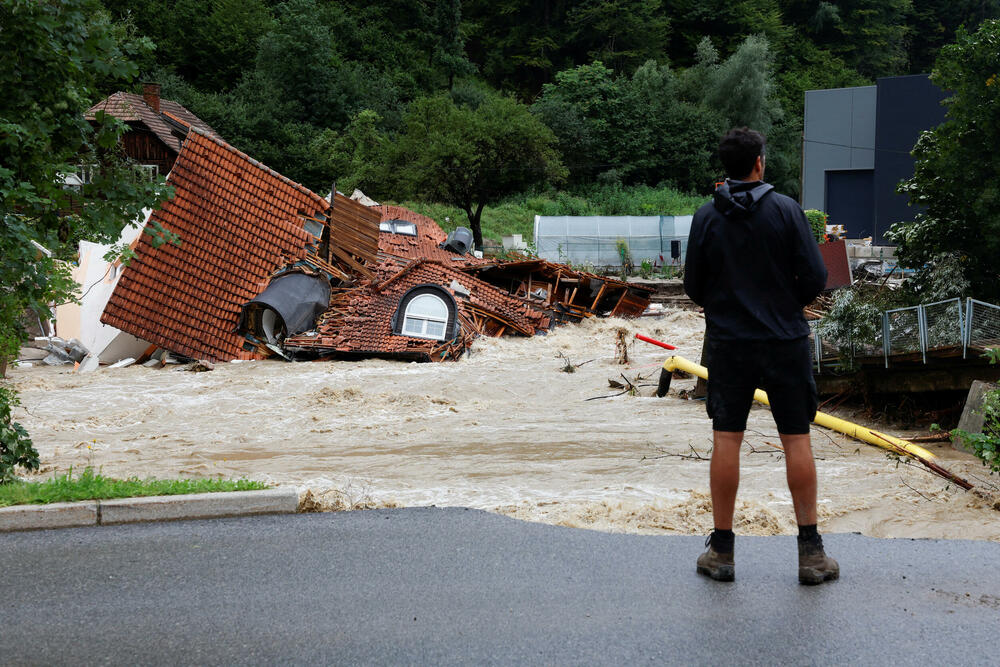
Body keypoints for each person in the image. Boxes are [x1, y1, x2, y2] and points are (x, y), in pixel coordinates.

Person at [683, 127, 838, 585]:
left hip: (729, 343)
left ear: (727, 167)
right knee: (797, 438)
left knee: (726, 438)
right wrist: (786, 304)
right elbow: (816, 277)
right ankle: (811, 555)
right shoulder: (788, 210)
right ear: (759, 163)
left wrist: (726, 306)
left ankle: (721, 551)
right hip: (785, 340)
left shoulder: (706, 216)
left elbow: (693, 286)